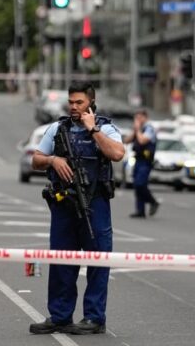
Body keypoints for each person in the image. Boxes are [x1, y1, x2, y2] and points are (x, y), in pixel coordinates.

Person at [29, 82, 125, 335]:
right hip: (64, 205)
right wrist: (53, 159)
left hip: (95, 204)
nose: (73, 107)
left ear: (91, 103)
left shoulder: (106, 128)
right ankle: (60, 316)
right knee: (61, 261)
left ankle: (94, 318)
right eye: (71, 102)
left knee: (98, 261)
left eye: (79, 102)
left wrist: (92, 130)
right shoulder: (57, 129)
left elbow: (117, 154)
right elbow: (35, 159)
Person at [125, 109, 159, 218]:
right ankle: (140, 211)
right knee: (136, 185)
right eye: (136, 118)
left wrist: (138, 129)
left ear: (145, 117)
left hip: (146, 161)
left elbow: (142, 141)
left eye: (140, 118)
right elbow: (126, 140)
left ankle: (153, 201)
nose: (138, 120)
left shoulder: (149, 129)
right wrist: (135, 130)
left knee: (140, 184)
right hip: (138, 160)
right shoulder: (139, 129)